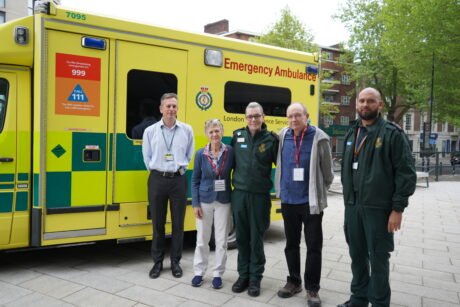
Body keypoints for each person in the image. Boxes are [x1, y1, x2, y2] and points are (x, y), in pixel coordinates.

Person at [338, 88, 416, 307]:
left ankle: (380, 302)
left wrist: (397, 209)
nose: (365, 105)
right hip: (353, 207)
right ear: (356, 104)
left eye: (370, 101)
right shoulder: (352, 132)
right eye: (361, 101)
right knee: (357, 256)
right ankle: (359, 299)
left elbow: (406, 173)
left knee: (379, 258)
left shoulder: (392, 134)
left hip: (379, 209)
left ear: (380, 105)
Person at [274, 102, 334, 307]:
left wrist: (318, 192)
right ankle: (294, 281)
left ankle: (312, 288)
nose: (293, 120)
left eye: (297, 116)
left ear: (307, 116)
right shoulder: (283, 135)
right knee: (291, 244)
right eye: (290, 116)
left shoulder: (320, 138)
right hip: (288, 200)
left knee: (313, 246)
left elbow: (328, 172)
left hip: (310, 203)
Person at [142, 93, 194, 279]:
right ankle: (157, 263)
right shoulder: (150, 131)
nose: (171, 109)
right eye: (168, 106)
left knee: (178, 224)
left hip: (178, 180)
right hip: (157, 180)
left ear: (177, 108)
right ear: (161, 109)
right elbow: (146, 157)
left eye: (174, 106)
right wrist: (159, 172)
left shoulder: (187, 130)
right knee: (158, 224)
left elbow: (189, 155)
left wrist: (177, 169)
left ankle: (175, 263)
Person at [230, 102, 278, 297]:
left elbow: (281, 166)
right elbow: (229, 164)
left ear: (263, 117)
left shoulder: (271, 139)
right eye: (250, 116)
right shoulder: (237, 136)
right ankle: (243, 275)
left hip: (259, 196)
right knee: (241, 237)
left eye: (257, 116)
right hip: (239, 194)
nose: (253, 119)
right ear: (245, 118)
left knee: (256, 238)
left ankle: (255, 277)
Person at [191, 119, 234, 289]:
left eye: (217, 131)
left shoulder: (230, 151)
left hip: (224, 200)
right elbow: (195, 179)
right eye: (211, 132)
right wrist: (195, 204)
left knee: (222, 240)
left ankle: (217, 274)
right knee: (202, 239)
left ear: (222, 132)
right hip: (204, 200)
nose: (214, 134)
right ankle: (199, 272)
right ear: (207, 134)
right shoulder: (200, 154)